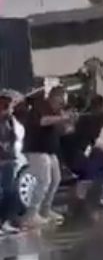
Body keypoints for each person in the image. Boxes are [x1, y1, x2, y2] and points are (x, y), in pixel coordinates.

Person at [18, 85, 70, 227]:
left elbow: (62, 130)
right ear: (55, 97)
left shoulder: (56, 111)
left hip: (50, 150)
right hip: (36, 149)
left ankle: (45, 210)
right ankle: (31, 214)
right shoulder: (41, 106)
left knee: (55, 179)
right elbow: (42, 121)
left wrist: (66, 123)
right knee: (44, 180)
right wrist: (60, 118)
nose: (63, 104)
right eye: (62, 100)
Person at [0, 90, 23, 235]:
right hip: (3, 160)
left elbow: (14, 137)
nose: (12, 109)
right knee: (5, 192)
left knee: (11, 192)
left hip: (9, 159)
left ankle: (5, 221)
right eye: (9, 106)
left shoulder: (8, 121)